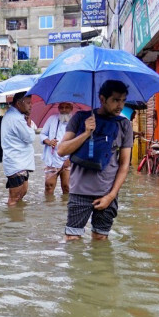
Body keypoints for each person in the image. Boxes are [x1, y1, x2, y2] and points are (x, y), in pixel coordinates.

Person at [57, 80, 133, 241]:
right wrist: (85, 133)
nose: (120, 105)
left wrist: (111, 196)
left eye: (123, 100)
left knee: (100, 240)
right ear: (102, 99)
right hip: (79, 192)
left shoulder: (124, 125)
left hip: (107, 192)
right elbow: (61, 150)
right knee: (72, 239)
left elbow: (124, 165)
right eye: (115, 100)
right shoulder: (80, 118)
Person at [1, 92, 35, 207]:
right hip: (16, 163)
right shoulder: (16, 119)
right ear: (19, 103)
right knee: (14, 198)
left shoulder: (16, 116)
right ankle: (12, 222)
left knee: (22, 193)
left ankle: (17, 221)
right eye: (28, 103)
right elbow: (30, 138)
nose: (31, 106)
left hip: (20, 162)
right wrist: (29, 125)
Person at [40, 102, 74, 195]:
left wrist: (70, 159)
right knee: (49, 185)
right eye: (61, 107)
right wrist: (49, 142)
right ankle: (49, 207)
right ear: (58, 108)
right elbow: (43, 134)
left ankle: (66, 208)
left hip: (68, 160)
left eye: (67, 107)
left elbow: (79, 142)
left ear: (71, 108)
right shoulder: (52, 119)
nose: (64, 110)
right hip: (52, 158)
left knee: (67, 187)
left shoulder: (76, 121)